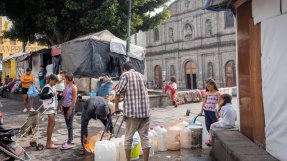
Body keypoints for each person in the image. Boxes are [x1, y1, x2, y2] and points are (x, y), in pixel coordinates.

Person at [114, 62, 150, 161]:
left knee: (128, 138)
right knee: (145, 138)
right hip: (145, 112)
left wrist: (116, 107)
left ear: (124, 69)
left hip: (133, 114)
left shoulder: (125, 76)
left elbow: (118, 93)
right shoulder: (142, 76)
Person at [40, 74, 59, 149]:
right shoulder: (47, 87)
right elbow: (42, 96)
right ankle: (48, 143)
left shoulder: (52, 87)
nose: (55, 83)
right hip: (49, 107)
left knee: (52, 124)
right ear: (51, 80)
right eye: (55, 81)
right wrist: (52, 94)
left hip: (52, 107)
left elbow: (53, 96)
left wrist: (59, 95)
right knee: (51, 124)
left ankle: (49, 141)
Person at [61, 72, 78, 149]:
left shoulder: (74, 87)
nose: (64, 79)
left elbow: (74, 99)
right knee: (68, 124)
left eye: (65, 78)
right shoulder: (67, 86)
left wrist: (70, 109)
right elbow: (64, 96)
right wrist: (61, 106)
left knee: (70, 125)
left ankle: (70, 140)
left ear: (68, 79)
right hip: (65, 106)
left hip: (69, 107)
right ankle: (69, 138)